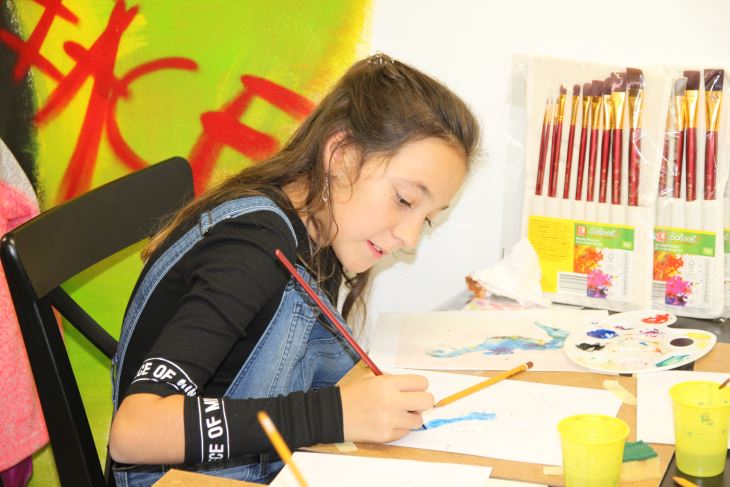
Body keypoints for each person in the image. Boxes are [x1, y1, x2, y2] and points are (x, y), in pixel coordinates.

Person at [108, 52, 480, 485]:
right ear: (341, 156)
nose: (410, 238)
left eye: (427, 218)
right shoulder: (251, 249)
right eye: (404, 200)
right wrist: (335, 413)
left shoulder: (324, 230)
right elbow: (133, 434)